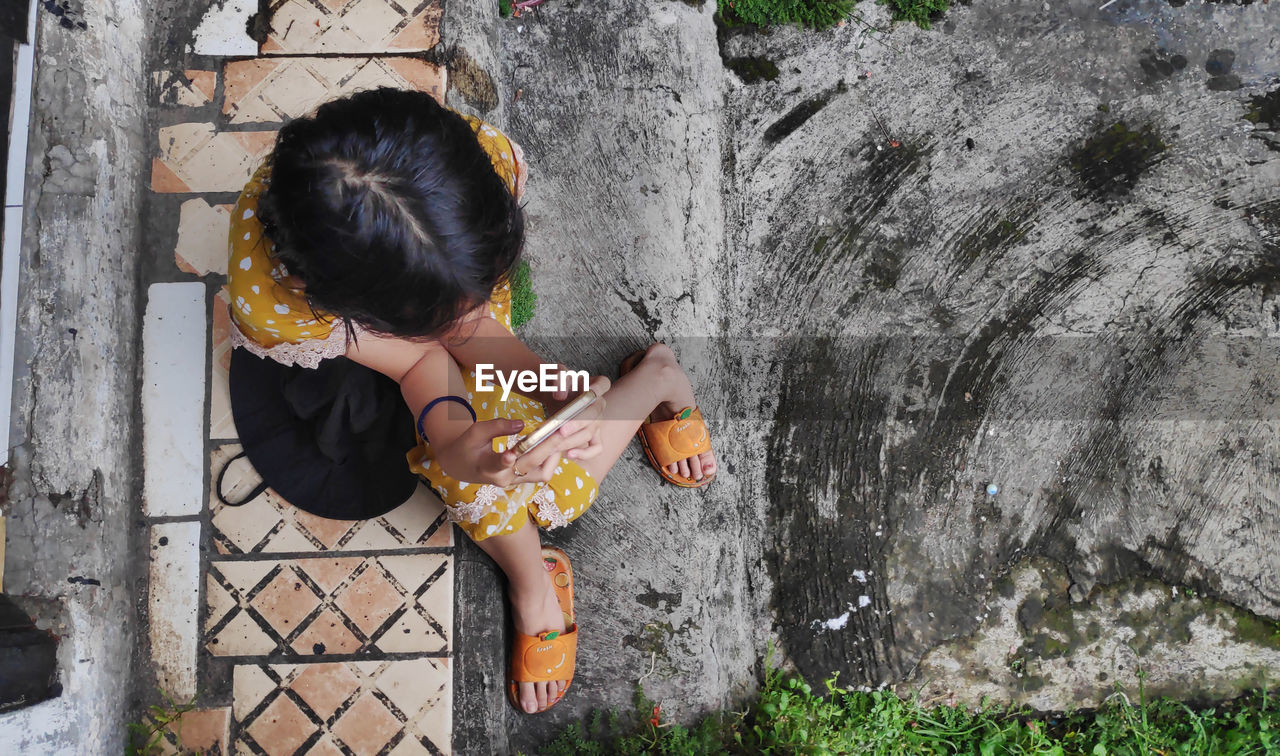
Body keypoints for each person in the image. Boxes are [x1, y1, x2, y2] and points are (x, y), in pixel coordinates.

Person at [224, 88, 717, 714]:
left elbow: (467, 325)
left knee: (546, 478)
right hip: (395, 321)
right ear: (318, 292)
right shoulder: (276, 299)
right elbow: (420, 357)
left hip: (423, 296)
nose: (461, 318)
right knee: (514, 480)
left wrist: (544, 382)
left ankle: (654, 382)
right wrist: (457, 446)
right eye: (430, 316)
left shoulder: (468, 161)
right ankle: (536, 572)